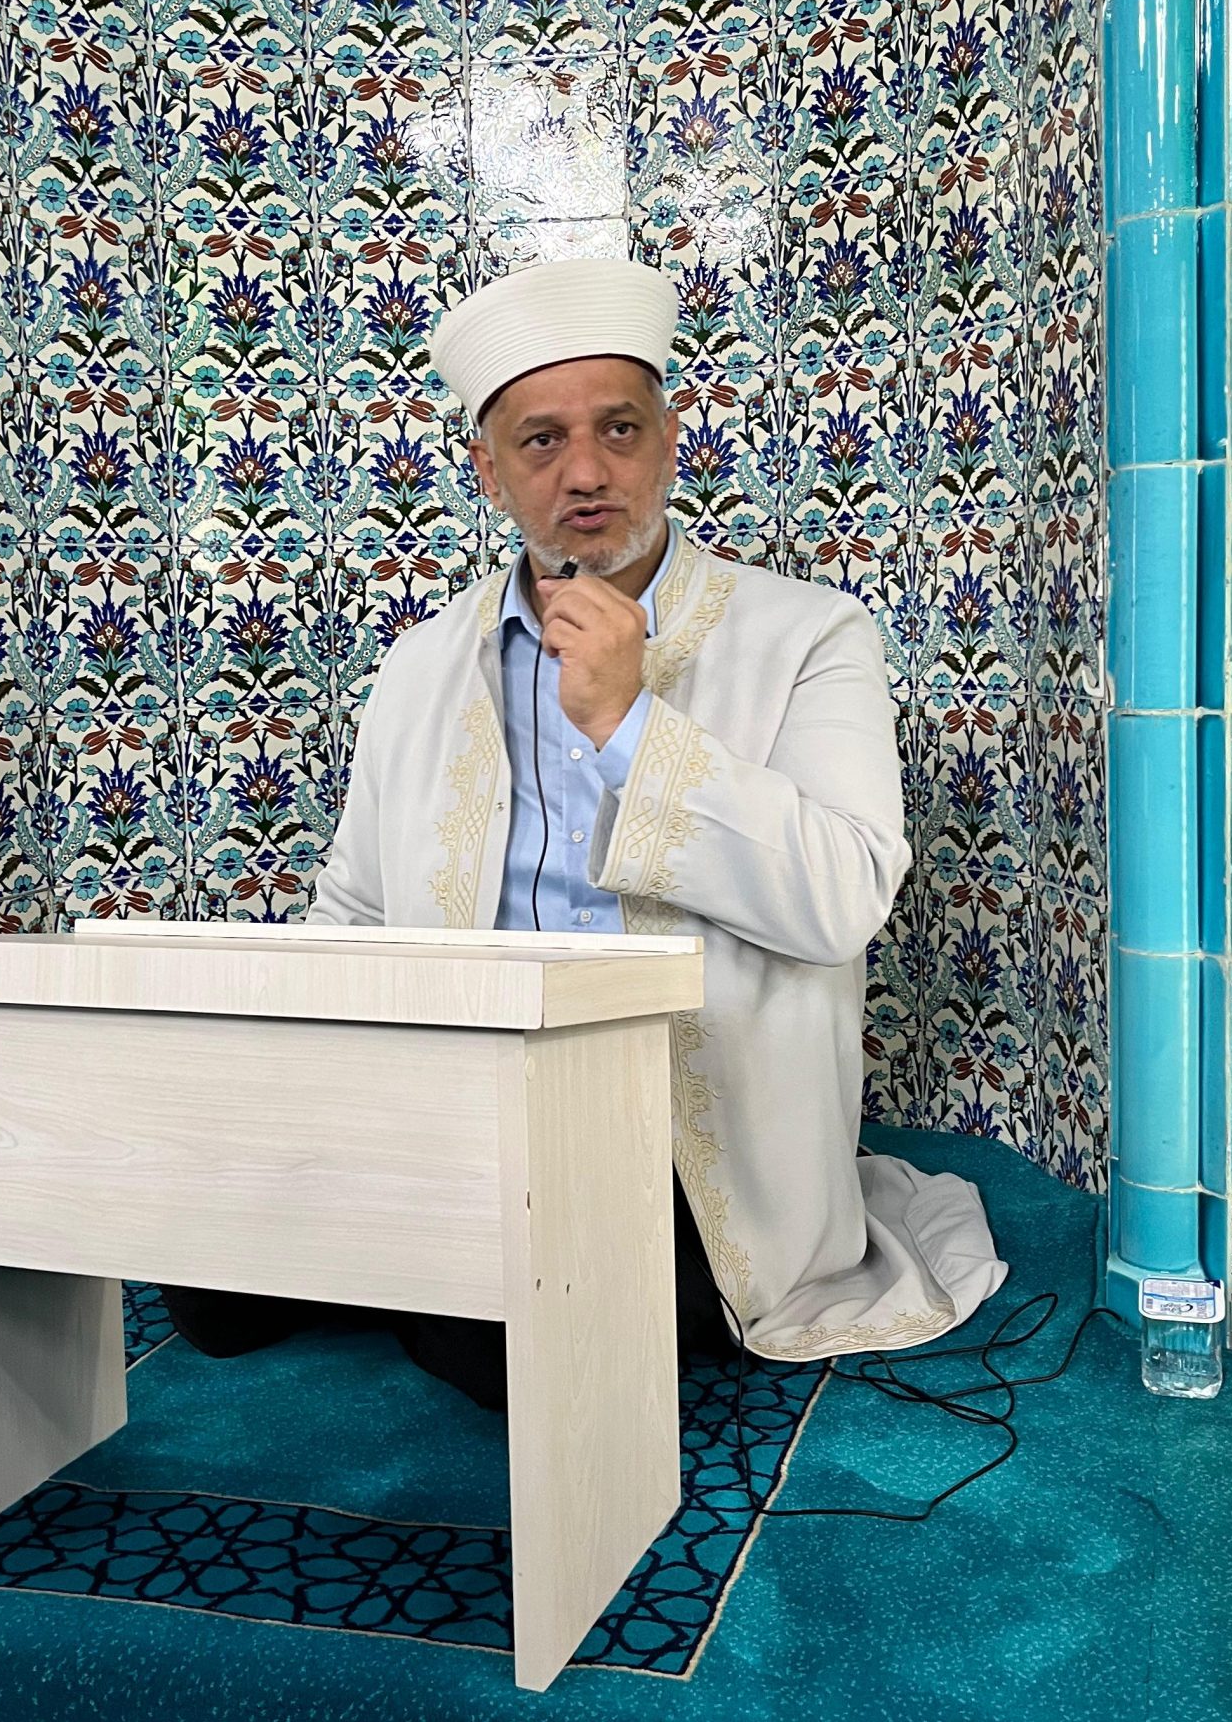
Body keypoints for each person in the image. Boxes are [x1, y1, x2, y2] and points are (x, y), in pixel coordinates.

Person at [162, 256, 1005, 1404]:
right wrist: (311, 1108)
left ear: (668, 440)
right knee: (204, 1287)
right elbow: (353, 910)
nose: (588, 471)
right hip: (459, 1105)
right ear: (491, 470)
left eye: (618, 428)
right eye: (542, 440)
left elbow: (843, 898)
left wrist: (625, 722)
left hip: (684, 1139)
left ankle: (426, 1262)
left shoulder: (809, 635)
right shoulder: (423, 663)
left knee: (513, 1337)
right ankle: (419, 1237)